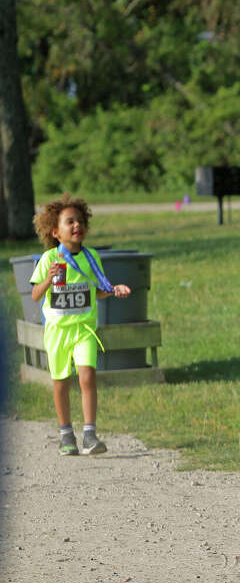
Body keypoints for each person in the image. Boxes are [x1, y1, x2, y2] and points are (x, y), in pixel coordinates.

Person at [29, 195, 132, 456]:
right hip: (58, 331)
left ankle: (89, 434)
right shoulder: (49, 259)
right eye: (70, 222)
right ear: (55, 231)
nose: (77, 225)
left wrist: (113, 290)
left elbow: (97, 290)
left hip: (84, 329)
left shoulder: (91, 256)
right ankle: (66, 433)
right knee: (61, 382)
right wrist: (48, 280)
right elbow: (35, 295)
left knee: (87, 376)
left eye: (80, 221)